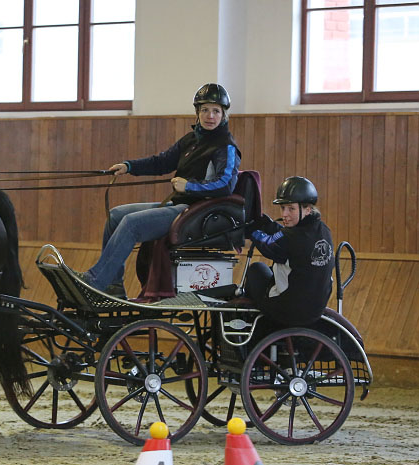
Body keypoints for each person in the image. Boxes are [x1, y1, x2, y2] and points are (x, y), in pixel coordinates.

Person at [79, 83, 241, 297]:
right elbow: (162, 162)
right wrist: (129, 166)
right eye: (204, 110)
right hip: (179, 206)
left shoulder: (226, 146)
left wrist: (189, 186)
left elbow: (226, 184)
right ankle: (113, 285)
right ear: (197, 112)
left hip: (196, 213)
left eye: (215, 111)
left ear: (223, 114)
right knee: (116, 216)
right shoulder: (191, 139)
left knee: (131, 223)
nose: (210, 116)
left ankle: (96, 281)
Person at [244, 176, 334, 327]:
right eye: (282, 208)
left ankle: (248, 322)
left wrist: (252, 230)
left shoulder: (289, 237)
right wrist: (268, 224)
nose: (285, 214)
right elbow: (284, 235)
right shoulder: (324, 230)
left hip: (287, 311)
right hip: (316, 310)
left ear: (307, 209)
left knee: (256, 269)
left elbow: (268, 243)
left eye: (291, 209)